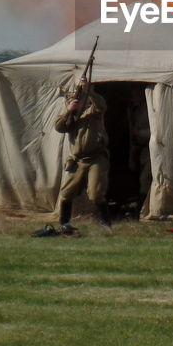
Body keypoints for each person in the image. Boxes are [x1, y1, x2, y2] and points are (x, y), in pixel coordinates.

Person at [52, 77, 111, 234]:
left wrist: (88, 91)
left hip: (96, 158)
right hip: (77, 161)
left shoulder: (94, 113)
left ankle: (106, 224)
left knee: (96, 193)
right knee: (66, 193)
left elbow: (101, 105)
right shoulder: (70, 117)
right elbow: (59, 127)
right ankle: (64, 223)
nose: (78, 103)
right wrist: (69, 111)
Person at [127, 87, 152, 206]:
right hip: (141, 150)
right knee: (141, 178)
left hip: (150, 149)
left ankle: (141, 208)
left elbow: (156, 131)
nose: (132, 99)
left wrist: (139, 132)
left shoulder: (149, 111)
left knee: (145, 179)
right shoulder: (136, 111)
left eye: (135, 96)